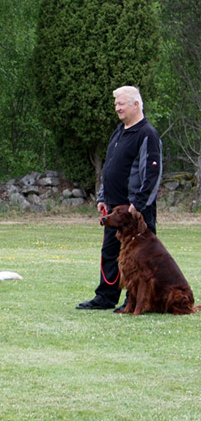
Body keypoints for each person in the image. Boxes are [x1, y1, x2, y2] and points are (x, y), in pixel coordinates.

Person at [77, 85, 162, 311]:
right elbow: (110, 167)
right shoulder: (119, 132)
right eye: (116, 104)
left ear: (136, 105)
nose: (117, 108)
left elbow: (152, 173)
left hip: (135, 211)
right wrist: (103, 196)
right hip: (114, 209)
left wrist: (139, 204)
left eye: (121, 104)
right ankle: (105, 296)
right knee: (110, 253)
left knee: (140, 257)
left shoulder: (147, 134)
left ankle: (135, 300)